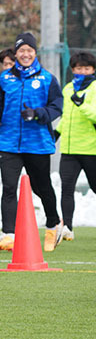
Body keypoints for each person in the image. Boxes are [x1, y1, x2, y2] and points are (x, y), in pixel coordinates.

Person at [0, 32, 63, 251]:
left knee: (42, 187)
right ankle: (9, 234)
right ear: (16, 52)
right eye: (22, 50)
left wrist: (38, 114)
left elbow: (57, 106)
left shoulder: (47, 78)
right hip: (9, 143)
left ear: (35, 52)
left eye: (29, 50)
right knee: (9, 188)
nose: (26, 54)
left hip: (37, 143)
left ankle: (53, 225)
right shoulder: (4, 78)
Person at [55, 52, 96, 242]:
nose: (83, 71)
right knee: (66, 189)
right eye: (79, 68)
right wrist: (57, 133)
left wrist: (82, 106)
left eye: (87, 68)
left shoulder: (95, 87)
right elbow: (67, 117)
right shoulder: (68, 88)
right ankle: (68, 227)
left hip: (91, 149)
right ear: (73, 70)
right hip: (69, 150)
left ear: (93, 70)